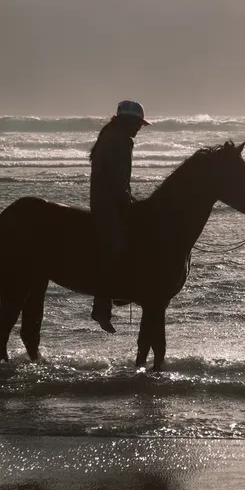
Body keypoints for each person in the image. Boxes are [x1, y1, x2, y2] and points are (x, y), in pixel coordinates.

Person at [89, 100, 149, 332]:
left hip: (103, 200)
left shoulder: (110, 135)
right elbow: (118, 180)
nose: (139, 129)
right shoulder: (121, 141)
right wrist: (128, 203)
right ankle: (103, 306)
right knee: (117, 246)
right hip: (110, 204)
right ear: (129, 121)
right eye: (138, 124)